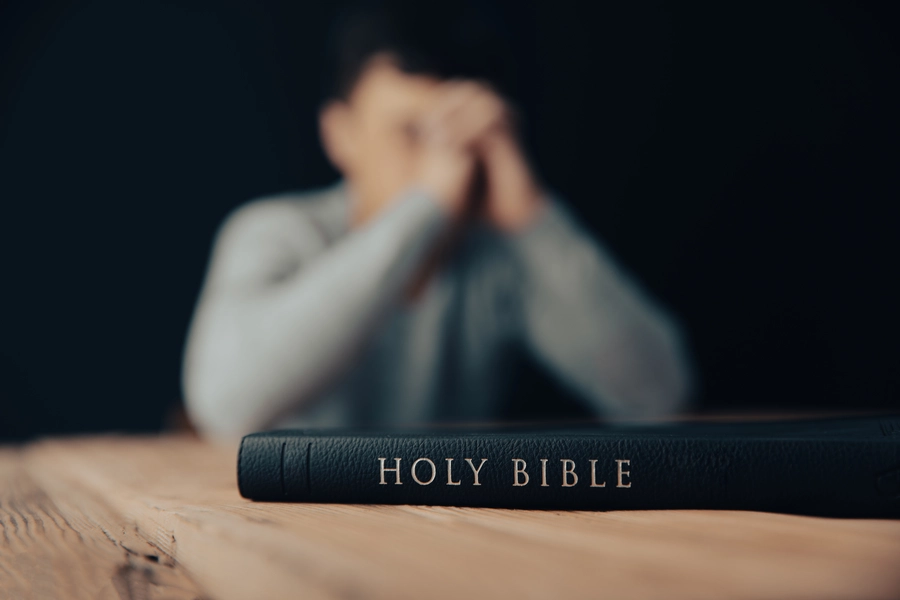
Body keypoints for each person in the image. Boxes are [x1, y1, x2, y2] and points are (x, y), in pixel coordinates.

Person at [182, 0, 693, 438]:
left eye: (456, 130)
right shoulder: (274, 231)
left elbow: (658, 396)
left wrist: (530, 215)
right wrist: (426, 204)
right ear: (339, 134)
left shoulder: (501, 254)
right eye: (410, 132)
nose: (441, 155)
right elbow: (225, 404)